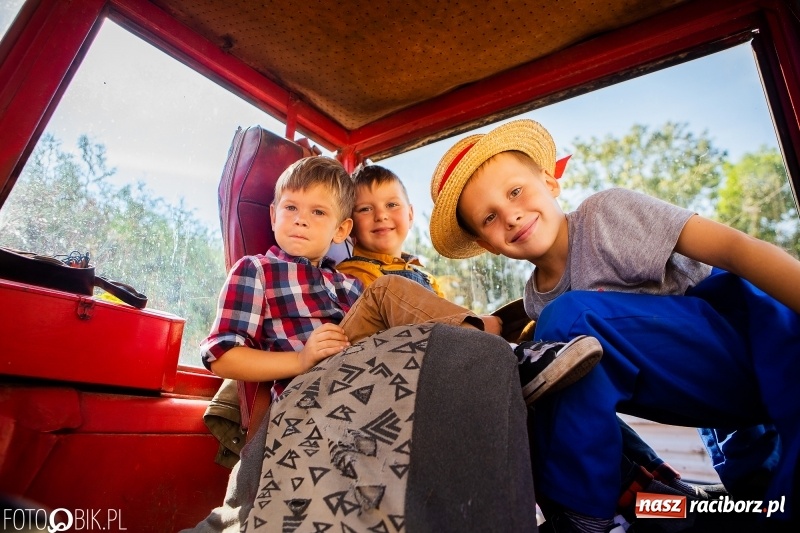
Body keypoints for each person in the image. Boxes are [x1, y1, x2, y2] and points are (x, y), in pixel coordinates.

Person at [427, 119, 800, 531]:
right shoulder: (536, 300)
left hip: (752, 347)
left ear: (550, 183)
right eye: (489, 217)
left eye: (516, 191)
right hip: (715, 404)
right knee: (749, 505)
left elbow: (736, 249)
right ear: (485, 244)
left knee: (567, 321)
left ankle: (585, 515)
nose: (511, 216)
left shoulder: (605, 217)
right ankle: (662, 500)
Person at [338, 163, 602, 405]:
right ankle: (514, 359)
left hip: (433, 352)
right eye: (365, 209)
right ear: (349, 226)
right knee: (393, 288)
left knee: (524, 318)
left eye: (392, 205)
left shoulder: (423, 276)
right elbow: (379, 329)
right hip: (392, 360)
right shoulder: (352, 274)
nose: (381, 216)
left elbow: (441, 313)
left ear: (409, 215)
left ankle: (542, 358)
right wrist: (474, 326)